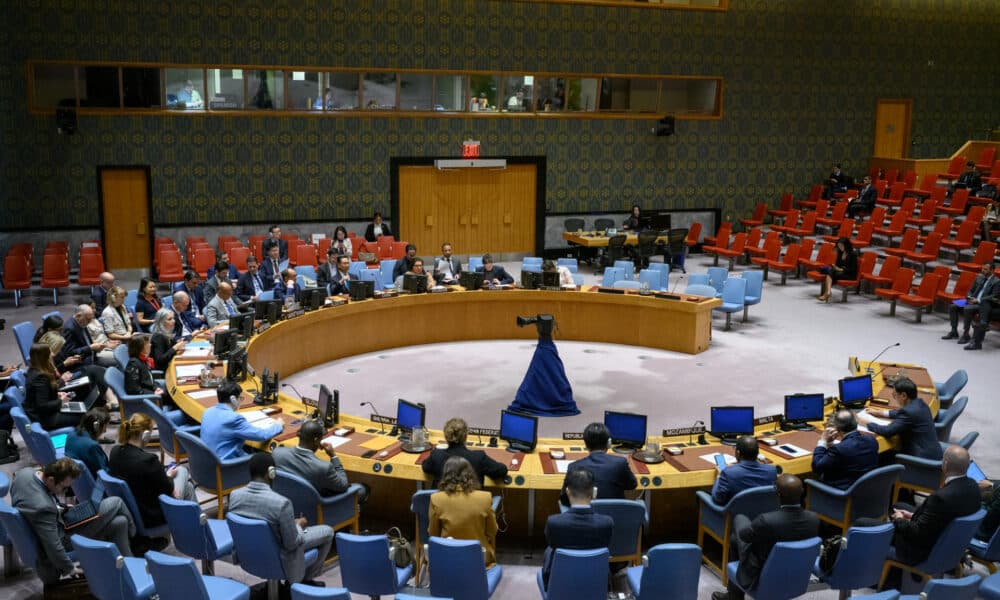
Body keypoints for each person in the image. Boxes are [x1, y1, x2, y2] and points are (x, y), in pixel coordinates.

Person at [11, 457, 137, 584]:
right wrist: (70, 569)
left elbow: (38, 504)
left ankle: (130, 572)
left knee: (120, 522)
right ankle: (137, 537)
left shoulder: (23, 474)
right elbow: (53, 545)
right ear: (50, 480)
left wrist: (61, 507)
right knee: (116, 502)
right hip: (63, 541)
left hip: (58, 523)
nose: (66, 491)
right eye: (65, 488)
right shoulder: (43, 508)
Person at [228, 453, 334, 586]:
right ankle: (305, 582)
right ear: (271, 473)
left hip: (249, 555)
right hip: (282, 558)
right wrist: (299, 525)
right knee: (328, 531)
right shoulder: (282, 503)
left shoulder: (234, 496)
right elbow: (292, 543)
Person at [711, 474, 819, 600]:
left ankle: (734, 596)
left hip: (762, 574)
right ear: (801, 492)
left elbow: (744, 536)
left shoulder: (767, 520)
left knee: (739, 521)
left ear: (778, 494)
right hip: (796, 575)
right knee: (734, 540)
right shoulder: (814, 519)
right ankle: (734, 595)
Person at [884, 446, 980, 569]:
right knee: (899, 506)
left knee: (866, 524)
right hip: (948, 542)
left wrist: (899, 519)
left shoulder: (940, 497)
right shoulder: (974, 486)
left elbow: (918, 534)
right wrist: (913, 516)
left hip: (922, 551)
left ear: (944, 464)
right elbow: (943, 517)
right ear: (967, 466)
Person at [109, 413, 197, 529]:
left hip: (134, 510)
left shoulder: (114, 452)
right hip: (154, 515)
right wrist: (168, 476)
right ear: (145, 435)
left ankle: (194, 525)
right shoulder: (148, 460)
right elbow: (169, 489)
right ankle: (198, 528)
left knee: (189, 487)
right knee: (182, 470)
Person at [541, 467, 614, 587]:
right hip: (596, 583)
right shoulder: (607, 523)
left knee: (548, 551)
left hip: (559, 584)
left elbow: (551, 543)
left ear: (568, 492)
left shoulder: (554, 522)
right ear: (594, 493)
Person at [428, 456, 499, 568]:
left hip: (447, 559)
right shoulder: (485, 498)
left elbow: (433, 534)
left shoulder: (436, 499)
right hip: (479, 559)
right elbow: (492, 531)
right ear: (470, 474)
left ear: (445, 475)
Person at [857, 376, 942, 460]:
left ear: (904, 396)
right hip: (933, 451)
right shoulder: (920, 403)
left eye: (894, 395)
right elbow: (901, 413)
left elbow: (887, 431)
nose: (894, 398)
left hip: (921, 458)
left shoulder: (908, 412)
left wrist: (866, 423)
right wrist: (880, 412)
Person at [558, 423, 637, 507]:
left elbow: (564, 498)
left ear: (586, 444)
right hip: (616, 516)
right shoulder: (620, 463)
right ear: (609, 443)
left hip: (586, 518)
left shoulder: (574, 467)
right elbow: (632, 485)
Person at [200, 380, 283, 460]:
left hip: (208, 461)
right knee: (265, 459)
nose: (241, 400)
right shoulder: (233, 419)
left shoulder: (207, 411)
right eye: (240, 398)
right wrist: (278, 425)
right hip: (226, 465)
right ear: (233, 399)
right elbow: (261, 436)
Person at [24, 343, 95, 430]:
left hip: (45, 414)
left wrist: (56, 395)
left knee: (83, 411)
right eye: (50, 353)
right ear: (44, 357)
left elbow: (40, 396)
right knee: (87, 417)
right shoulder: (40, 377)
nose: (53, 355)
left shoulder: (33, 370)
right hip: (46, 419)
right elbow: (42, 406)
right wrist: (61, 401)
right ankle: (88, 441)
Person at [422, 417, 508, 488]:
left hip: (443, 507)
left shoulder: (436, 455)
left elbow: (425, 467)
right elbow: (501, 471)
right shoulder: (479, 457)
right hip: (472, 507)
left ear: (446, 436)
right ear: (466, 436)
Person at [272, 419, 350, 496]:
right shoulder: (323, 467)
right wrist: (333, 456)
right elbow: (343, 485)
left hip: (285, 497)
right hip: (313, 505)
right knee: (360, 489)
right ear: (316, 440)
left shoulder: (277, 453)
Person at [811, 410, 879, 489]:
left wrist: (823, 442)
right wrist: (830, 444)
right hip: (868, 489)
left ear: (837, 428)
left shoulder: (839, 449)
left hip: (843, 494)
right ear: (856, 423)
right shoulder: (872, 440)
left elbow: (817, 467)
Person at [943, 262, 999, 351]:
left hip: (982, 304)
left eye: (985, 269)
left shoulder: (997, 281)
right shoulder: (979, 277)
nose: (983, 271)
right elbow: (970, 290)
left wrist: (978, 300)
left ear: (992, 270)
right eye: (982, 268)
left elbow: (994, 296)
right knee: (953, 306)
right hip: (971, 300)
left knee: (967, 309)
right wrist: (970, 297)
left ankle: (966, 334)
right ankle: (954, 331)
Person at [711, 435, 778, 505]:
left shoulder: (728, 473)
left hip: (736, 513)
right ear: (757, 453)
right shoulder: (772, 470)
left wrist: (719, 476)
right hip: (763, 511)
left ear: (738, 452)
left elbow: (718, 499)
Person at [124, 334, 173, 409]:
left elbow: (149, 379)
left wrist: (156, 387)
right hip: (148, 400)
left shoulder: (143, 360)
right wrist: (153, 393)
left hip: (152, 392)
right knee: (177, 399)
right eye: (147, 344)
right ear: (141, 348)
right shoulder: (133, 364)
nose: (150, 345)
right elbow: (133, 389)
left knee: (174, 394)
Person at [64, 408, 111, 476]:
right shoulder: (92, 446)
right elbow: (103, 472)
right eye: (105, 427)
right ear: (97, 427)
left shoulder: (71, 434)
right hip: (93, 481)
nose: (105, 431)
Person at [816, 237, 858, 302]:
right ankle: (828, 292)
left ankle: (827, 293)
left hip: (849, 275)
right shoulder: (840, 252)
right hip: (839, 272)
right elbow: (838, 264)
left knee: (830, 272)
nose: (840, 247)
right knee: (827, 270)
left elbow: (853, 269)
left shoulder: (853, 254)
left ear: (846, 245)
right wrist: (835, 267)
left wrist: (841, 269)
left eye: (841, 246)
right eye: (839, 246)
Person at [83, 299, 120, 367]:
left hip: (107, 344)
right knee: (121, 358)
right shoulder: (84, 325)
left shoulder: (95, 319)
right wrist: (107, 345)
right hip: (99, 351)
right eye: (92, 308)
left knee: (126, 351)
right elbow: (91, 344)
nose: (94, 310)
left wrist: (110, 341)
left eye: (94, 307)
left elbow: (102, 335)